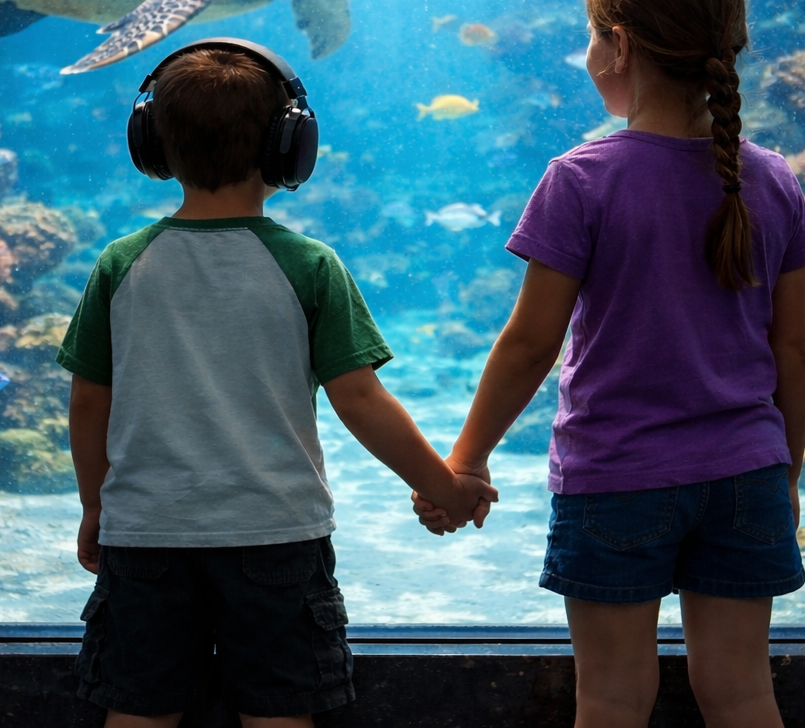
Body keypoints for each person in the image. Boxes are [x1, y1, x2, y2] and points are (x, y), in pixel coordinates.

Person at [416, 0, 805, 728]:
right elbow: (793, 352)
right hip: (746, 475)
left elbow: (530, 343)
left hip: (617, 476)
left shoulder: (582, 178)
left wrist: (465, 460)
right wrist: (787, 472)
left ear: (621, 45)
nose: (587, 52)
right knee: (741, 692)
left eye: (592, 34)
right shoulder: (774, 178)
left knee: (610, 696)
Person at [58, 41, 496, 728]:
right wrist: (446, 488)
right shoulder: (309, 266)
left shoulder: (121, 265)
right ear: (290, 145)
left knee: (137, 713)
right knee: (281, 716)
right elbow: (361, 401)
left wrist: (95, 506)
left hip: (145, 536)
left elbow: (88, 401)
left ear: (153, 143)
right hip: (276, 538)